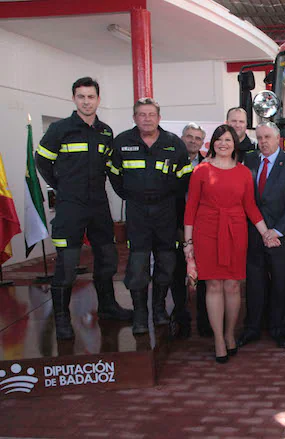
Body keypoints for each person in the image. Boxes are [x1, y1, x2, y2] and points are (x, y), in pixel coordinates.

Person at [36, 77, 132, 340]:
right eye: (81, 97)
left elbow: (110, 168)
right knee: (67, 265)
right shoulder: (59, 129)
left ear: (98, 100)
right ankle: (62, 318)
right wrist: (62, 186)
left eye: (91, 97)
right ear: (74, 99)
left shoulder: (105, 132)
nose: (86, 101)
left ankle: (108, 307)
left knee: (107, 258)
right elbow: (42, 162)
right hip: (70, 206)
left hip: (98, 205)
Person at [183, 124, 278, 362]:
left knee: (233, 286)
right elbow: (190, 208)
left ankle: (229, 334)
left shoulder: (244, 172)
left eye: (228, 140)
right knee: (214, 285)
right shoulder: (201, 171)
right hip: (207, 232)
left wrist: (266, 233)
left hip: (235, 232)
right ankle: (217, 339)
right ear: (212, 143)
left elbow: (251, 207)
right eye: (219, 139)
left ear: (235, 144)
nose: (223, 143)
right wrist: (188, 243)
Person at [108, 98, 192, 334]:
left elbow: (184, 176)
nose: (147, 119)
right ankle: (140, 316)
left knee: (166, 263)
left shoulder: (173, 143)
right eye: (141, 114)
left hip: (165, 210)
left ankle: (159, 310)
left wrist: (167, 195)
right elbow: (114, 174)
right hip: (137, 211)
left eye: (151, 114)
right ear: (134, 118)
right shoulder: (122, 142)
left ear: (159, 117)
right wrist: (129, 194)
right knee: (138, 264)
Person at [237, 122, 285, 349]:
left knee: (281, 285)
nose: (263, 142)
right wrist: (263, 232)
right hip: (255, 235)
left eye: (267, 137)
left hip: (282, 236)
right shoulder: (250, 160)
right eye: (259, 137)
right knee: (255, 285)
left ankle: (279, 329)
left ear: (279, 139)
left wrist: (275, 231)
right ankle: (252, 328)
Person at [170, 122, 210, 338]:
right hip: (175, 226)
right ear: (182, 137)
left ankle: (205, 322)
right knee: (177, 275)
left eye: (197, 138)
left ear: (203, 142)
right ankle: (181, 320)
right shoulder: (171, 161)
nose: (193, 141)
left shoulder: (208, 165)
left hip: (202, 228)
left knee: (203, 277)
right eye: (189, 136)